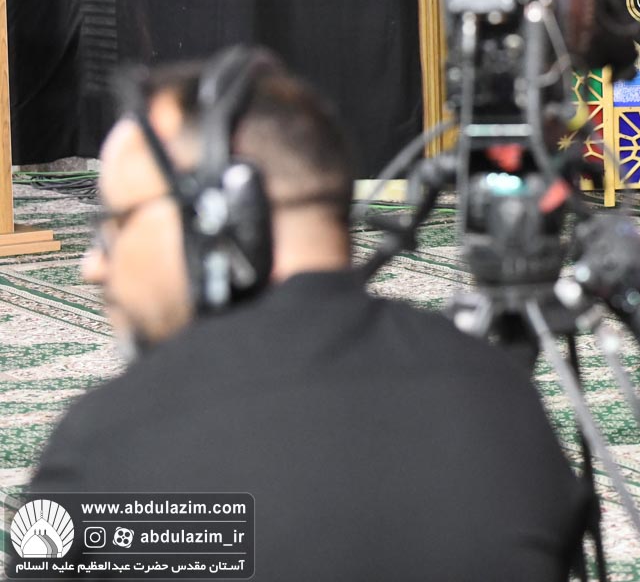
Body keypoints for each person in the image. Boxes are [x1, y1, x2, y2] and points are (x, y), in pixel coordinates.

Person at [26, 49, 588, 580]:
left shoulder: (106, 447)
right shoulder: (500, 395)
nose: (93, 266)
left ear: (220, 219)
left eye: (114, 224)